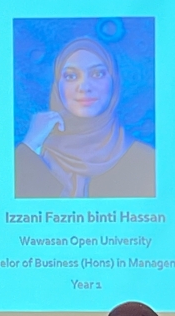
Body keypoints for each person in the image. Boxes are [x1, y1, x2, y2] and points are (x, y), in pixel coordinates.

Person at [15, 36, 155, 198]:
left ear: (115, 82)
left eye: (98, 74)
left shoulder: (145, 160)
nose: (84, 87)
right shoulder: (36, 152)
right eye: (70, 76)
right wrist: (30, 145)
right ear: (57, 86)